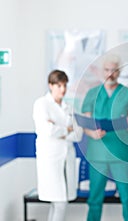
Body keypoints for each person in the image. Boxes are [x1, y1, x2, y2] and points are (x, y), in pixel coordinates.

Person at [81, 54, 128, 221]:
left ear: (119, 72)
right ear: (102, 71)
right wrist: (92, 132)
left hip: (121, 154)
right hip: (97, 154)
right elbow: (86, 123)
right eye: (107, 70)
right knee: (94, 199)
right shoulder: (92, 94)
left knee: (127, 198)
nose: (110, 73)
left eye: (114, 70)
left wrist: (127, 120)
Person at [32, 70, 83, 221]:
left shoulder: (68, 107)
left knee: (59, 202)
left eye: (65, 85)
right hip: (51, 159)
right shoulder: (42, 104)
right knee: (59, 202)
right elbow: (47, 130)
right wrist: (67, 129)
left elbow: (78, 134)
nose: (63, 89)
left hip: (67, 157)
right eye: (59, 85)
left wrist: (61, 130)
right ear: (50, 86)